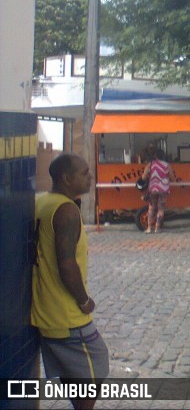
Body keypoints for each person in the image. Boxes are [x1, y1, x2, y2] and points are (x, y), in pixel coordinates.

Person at [31, 154, 109, 410]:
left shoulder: (42, 202)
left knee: (73, 371)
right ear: (66, 178)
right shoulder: (66, 211)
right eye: (84, 173)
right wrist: (84, 300)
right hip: (67, 315)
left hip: (46, 312)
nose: (90, 178)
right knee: (97, 365)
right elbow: (66, 265)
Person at [141, 148, 176, 233]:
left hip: (153, 189)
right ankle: (157, 228)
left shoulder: (150, 164)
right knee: (161, 209)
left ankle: (149, 228)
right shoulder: (167, 165)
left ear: (155, 156)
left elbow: (143, 177)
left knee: (151, 208)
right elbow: (173, 178)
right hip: (163, 189)